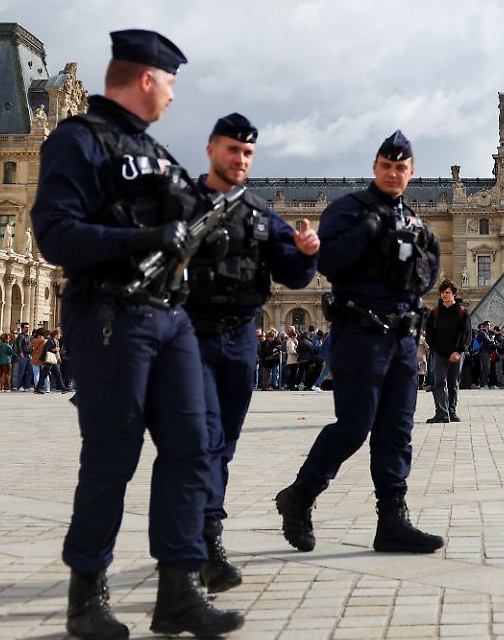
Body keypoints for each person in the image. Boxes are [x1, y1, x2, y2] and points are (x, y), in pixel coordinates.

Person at [31, 30, 243, 640]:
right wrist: (141, 240)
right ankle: (87, 592)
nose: (174, 96)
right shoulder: (78, 140)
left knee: (194, 447)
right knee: (112, 453)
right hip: (110, 313)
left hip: (171, 318)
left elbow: (188, 222)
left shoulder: (155, 151)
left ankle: (179, 590)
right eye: (170, 83)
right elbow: (54, 235)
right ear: (147, 78)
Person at [276, 131, 443, 555]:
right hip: (360, 333)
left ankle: (392, 521)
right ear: (375, 167)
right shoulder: (348, 210)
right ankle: (300, 495)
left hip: (402, 339)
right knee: (353, 426)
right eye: (386, 166)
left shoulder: (416, 223)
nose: (393, 173)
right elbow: (328, 262)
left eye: (401, 167)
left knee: (397, 431)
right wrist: (369, 231)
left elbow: (428, 275)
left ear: (411, 172)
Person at [183, 113, 319, 593]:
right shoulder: (181, 204)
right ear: (211, 150)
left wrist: (306, 252)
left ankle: (201, 535)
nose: (240, 158)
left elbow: (295, 275)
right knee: (202, 439)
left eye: (247, 152)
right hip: (192, 336)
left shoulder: (261, 215)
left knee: (223, 442)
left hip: (241, 338)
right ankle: (206, 540)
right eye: (232, 149)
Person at [424, 279, 469, 422]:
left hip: (456, 353)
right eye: (442, 292)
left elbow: (467, 333)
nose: (444, 295)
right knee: (439, 383)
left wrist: (459, 351)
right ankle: (441, 413)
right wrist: (435, 349)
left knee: (453, 383)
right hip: (440, 353)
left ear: (454, 294)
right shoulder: (435, 312)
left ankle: (451, 412)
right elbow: (429, 333)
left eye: (447, 292)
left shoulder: (462, 312)